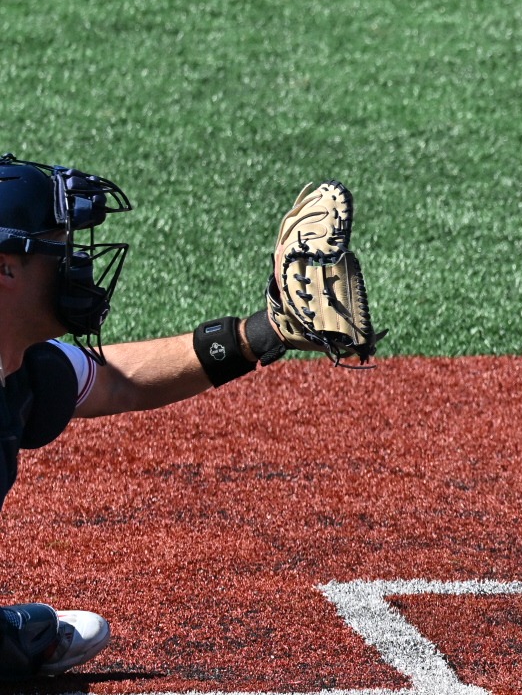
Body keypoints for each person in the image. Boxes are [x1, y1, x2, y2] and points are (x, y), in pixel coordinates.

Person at [0, 155, 375, 679]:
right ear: (5, 268)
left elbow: (116, 379)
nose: (77, 265)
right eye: (58, 249)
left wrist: (261, 334)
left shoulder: (17, 367)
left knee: (29, 637)